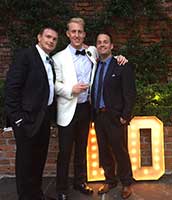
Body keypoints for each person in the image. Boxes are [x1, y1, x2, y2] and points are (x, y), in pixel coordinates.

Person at [53, 17, 127, 200]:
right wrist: (71, 89)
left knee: (81, 150)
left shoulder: (91, 52)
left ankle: (80, 182)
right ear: (67, 34)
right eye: (73, 31)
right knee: (64, 152)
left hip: (87, 109)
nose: (76, 35)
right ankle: (61, 189)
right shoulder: (58, 57)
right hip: (67, 110)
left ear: (84, 34)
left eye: (80, 32)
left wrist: (119, 57)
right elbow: (54, 85)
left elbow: (108, 55)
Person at [5, 26, 58, 200]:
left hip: (43, 119)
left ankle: (37, 194)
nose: (51, 41)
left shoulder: (49, 60)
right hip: (26, 120)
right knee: (25, 162)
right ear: (39, 37)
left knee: (39, 160)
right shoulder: (25, 56)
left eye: (54, 39)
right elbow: (12, 89)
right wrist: (18, 119)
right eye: (48, 37)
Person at [91, 32, 137, 199]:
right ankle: (110, 180)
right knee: (103, 151)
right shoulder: (94, 65)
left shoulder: (121, 65)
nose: (102, 45)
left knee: (120, 151)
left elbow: (130, 93)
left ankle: (126, 182)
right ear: (96, 46)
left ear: (111, 46)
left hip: (115, 117)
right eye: (99, 42)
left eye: (105, 42)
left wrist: (125, 115)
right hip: (98, 116)